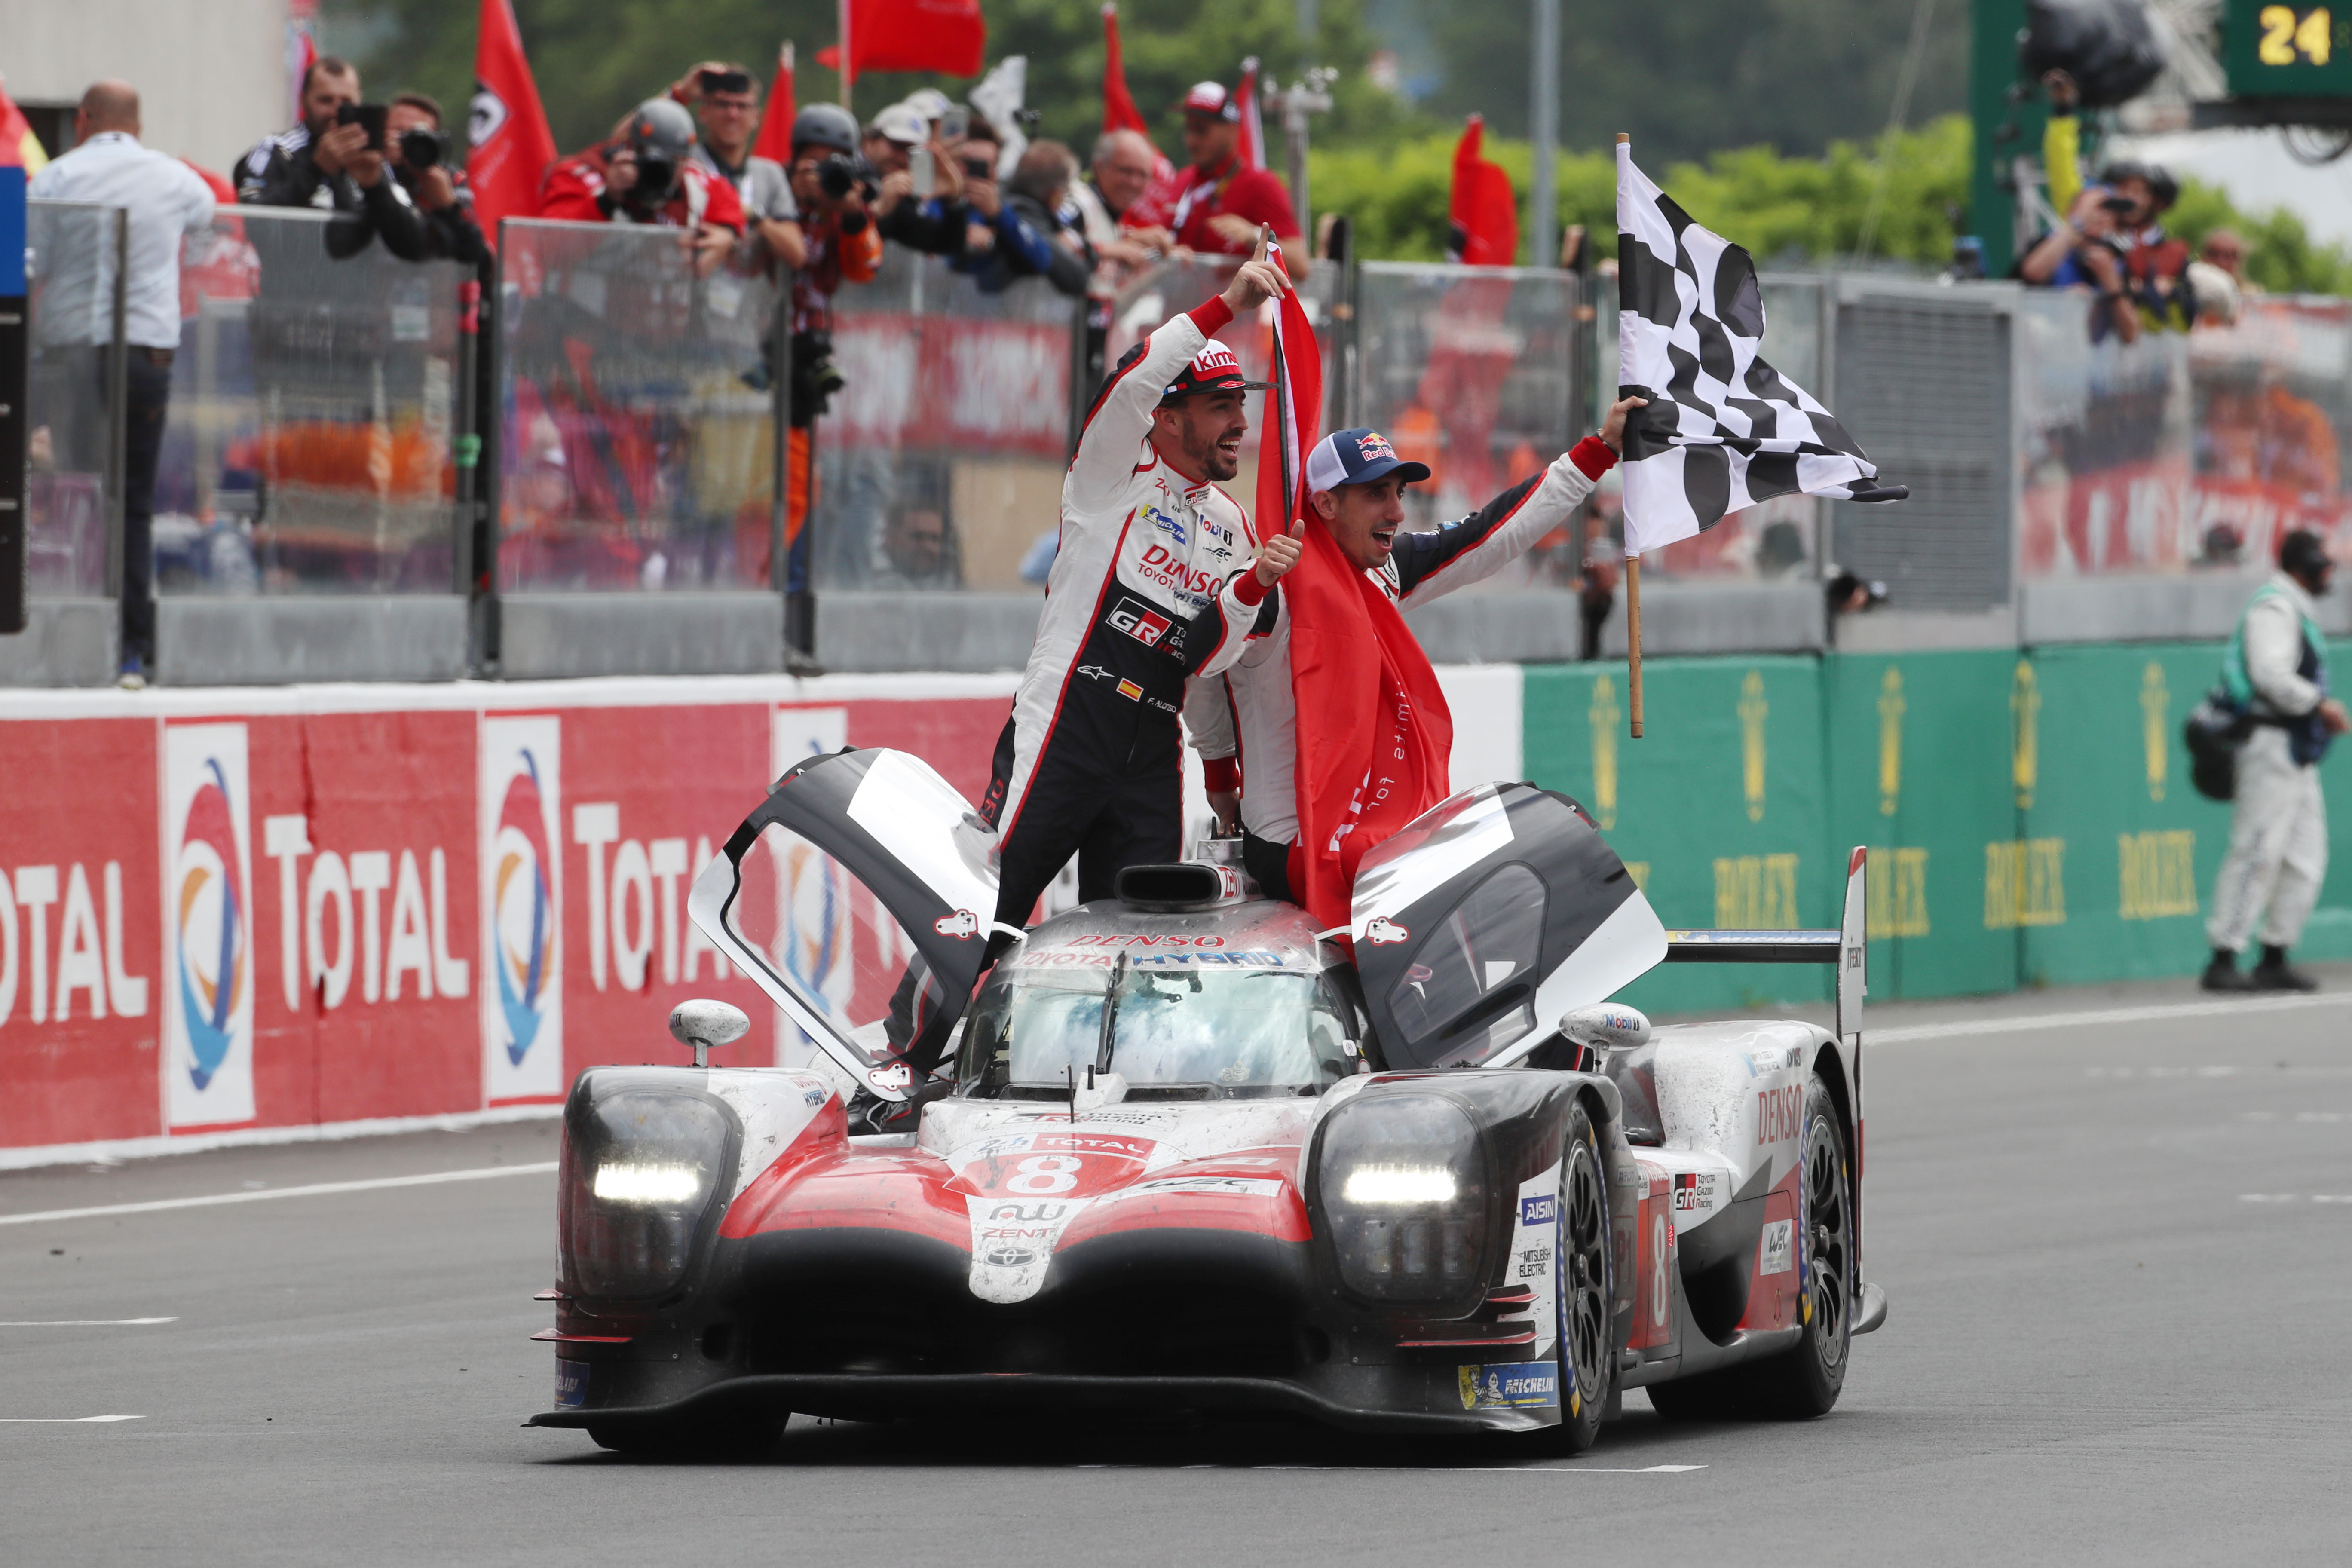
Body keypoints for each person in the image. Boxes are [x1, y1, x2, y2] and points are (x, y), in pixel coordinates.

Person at [976, 236, 1302, 958]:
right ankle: (910, 1059)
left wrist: (1249, 586)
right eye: (1221, 407)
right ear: (1167, 415)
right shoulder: (1110, 471)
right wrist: (1227, 307)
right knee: (985, 911)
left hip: (1152, 748)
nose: (1240, 425)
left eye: (1241, 407)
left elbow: (1211, 661)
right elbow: (1129, 381)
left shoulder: (1231, 524)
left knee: (1138, 950)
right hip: (1068, 718)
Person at [1191, 395, 1646, 909]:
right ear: (1326, 505)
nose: (1397, 511)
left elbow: (1493, 534)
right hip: (1289, 846)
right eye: (1377, 494)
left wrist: (1601, 449)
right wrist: (1220, 773)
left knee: (1521, 828)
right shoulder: (1272, 589)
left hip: (1367, 825)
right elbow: (1202, 664)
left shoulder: (1382, 570)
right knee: (1465, 871)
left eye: (1400, 492)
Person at [30, 80, 218, 688]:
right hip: (147, 356)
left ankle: (72, 634)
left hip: (73, 352)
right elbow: (208, 218)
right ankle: (131, 650)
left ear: (83, 120)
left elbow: (33, 258)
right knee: (134, 502)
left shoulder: (55, 178)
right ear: (139, 125)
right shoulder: (176, 178)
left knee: (79, 489)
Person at [2202, 530, 2349, 993]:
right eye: (2322, 562)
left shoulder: (2296, 606)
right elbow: (2269, 673)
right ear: (2302, 563)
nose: (2330, 571)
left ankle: (2275, 954)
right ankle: (2224, 956)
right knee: (2257, 849)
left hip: (2296, 751)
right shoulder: (2275, 606)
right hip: (2269, 742)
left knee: (2307, 856)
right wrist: (2318, 703)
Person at [237, 56, 430, 261]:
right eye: (325, 100)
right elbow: (252, 224)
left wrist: (376, 187)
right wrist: (316, 170)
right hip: (286, 291)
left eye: (347, 102)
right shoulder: (276, 150)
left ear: (359, 101)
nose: (336, 111)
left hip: (358, 291)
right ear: (303, 100)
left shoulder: (373, 160)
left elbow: (414, 247)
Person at [539, 98, 744, 276]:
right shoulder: (582, 175)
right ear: (630, 148)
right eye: (654, 159)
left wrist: (728, 234)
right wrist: (606, 200)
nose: (661, 171)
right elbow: (549, 251)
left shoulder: (693, 184)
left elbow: (730, 201)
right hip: (583, 315)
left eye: (675, 160)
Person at [668, 61, 805, 272]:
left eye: (742, 106)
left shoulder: (770, 174)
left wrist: (751, 215)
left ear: (756, 117)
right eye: (723, 105)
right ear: (704, 113)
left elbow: (797, 254)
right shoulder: (683, 164)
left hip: (746, 300)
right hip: (688, 288)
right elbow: (629, 141)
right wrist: (680, 94)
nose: (733, 115)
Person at [327, 93, 487, 265]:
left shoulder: (447, 178)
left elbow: (476, 252)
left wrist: (447, 206)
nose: (405, 141)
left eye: (417, 135)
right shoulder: (361, 170)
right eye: (398, 132)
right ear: (381, 132)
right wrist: (379, 169)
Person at [1164, 82, 1306, 271]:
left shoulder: (1260, 184)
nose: (1192, 141)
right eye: (1188, 129)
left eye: (1201, 130)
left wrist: (1254, 236)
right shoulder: (1182, 180)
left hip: (1233, 301)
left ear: (1232, 130)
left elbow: (1300, 264)